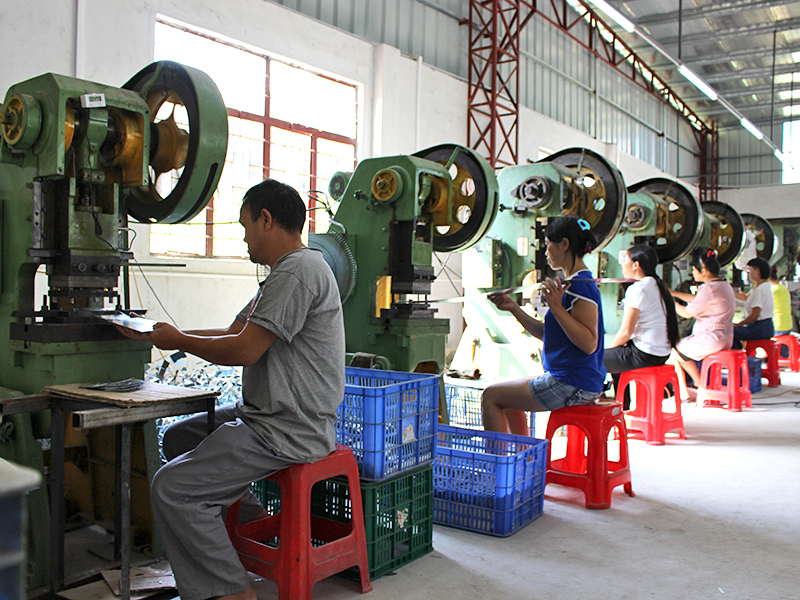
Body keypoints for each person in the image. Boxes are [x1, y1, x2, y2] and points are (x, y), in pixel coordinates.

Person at [116, 179, 345, 600]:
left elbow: (246, 349)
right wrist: (162, 334)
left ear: (266, 219)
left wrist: (178, 341)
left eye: (244, 228)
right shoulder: (284, 274)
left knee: (172, 488)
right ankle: (247, 530)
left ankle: (232, 591)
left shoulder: (298, 270)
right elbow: (234, 330)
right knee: (180, 436)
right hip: (269, 415)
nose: (243, 240)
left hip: (287, 428)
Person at [481, 216, 605, 435]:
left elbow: (588, 344)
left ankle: (498, 467)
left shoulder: (580, 286)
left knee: (490, 396)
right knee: (508, 397)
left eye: (548, 245)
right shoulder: (572, 284)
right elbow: (548, 334)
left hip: (572, 383)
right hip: (574, 379)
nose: (546, 253)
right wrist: (514, 308)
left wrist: (556, 306)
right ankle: (522, 462)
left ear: (565, 244)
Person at [604, 244, 680, 409]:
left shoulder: (638, 289)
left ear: (636, 265)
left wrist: (610, 351)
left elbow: (626, 332)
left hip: (645, 354)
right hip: (662, 353)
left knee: (592, 360)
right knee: (616, 362)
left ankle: (608, 409)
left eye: (625, 261)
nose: (622, 265)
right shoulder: (658, 285)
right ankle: (623, 409)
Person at [669, 248, 736, 390]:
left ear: (703, 271)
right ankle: (699, 384)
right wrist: (674, 293)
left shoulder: (709, 289)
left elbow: (686, 313)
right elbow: (698, 300)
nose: (692, 273)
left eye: (694, 270)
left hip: (712, 339)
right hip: (725, 337)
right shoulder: (723, 285)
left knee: (672, 352)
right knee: (680, 349)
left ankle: (691, 389)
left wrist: (669, 300)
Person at [732, 257, 774, 348]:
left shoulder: (760, 290)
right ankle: (738, 355)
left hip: (760, 328)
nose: (749, 274)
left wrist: (739, 324)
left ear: (757, 271)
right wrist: (728, 291)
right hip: (765, 327)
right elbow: (745, 297)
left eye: (750, 271)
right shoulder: (764, 286)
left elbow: (755, 315)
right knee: (733, 332)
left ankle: (737, 357)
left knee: (729, 332)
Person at [770, 265, 793, 336]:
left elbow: (749, 299)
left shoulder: (773, 290)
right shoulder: (782, 288)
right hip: (787, 326)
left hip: (778, 327)